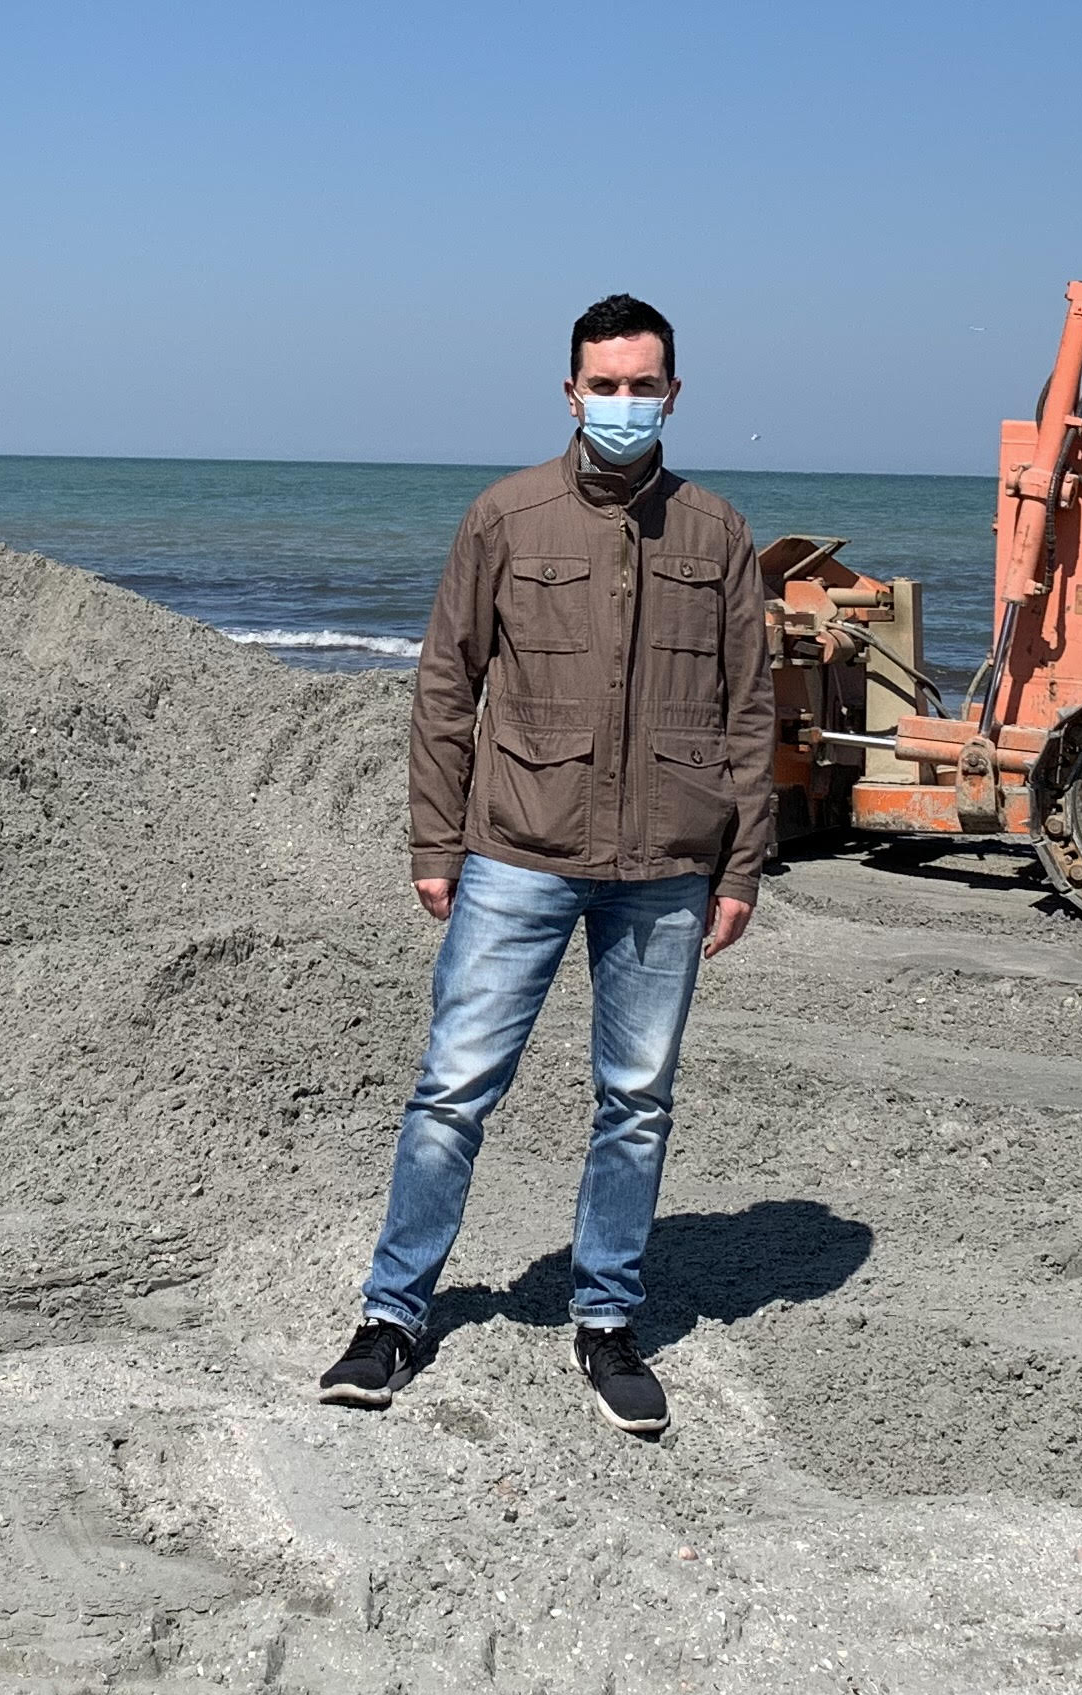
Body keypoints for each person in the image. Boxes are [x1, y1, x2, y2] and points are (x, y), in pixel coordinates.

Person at [322, 294, 774, 1437]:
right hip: (518, 854)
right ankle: (392, 1317)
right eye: (604, 385)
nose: (624, 403)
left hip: (668, 864)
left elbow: (750, 710)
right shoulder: (505, 518)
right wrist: (436, 840)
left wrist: (741, 867)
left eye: (644, 384)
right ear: (570, 391)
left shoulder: (717, 535)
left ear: (674, 393)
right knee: (452, 1092)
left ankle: (609, 1320)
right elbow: (444, 687)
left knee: (636, 1103)